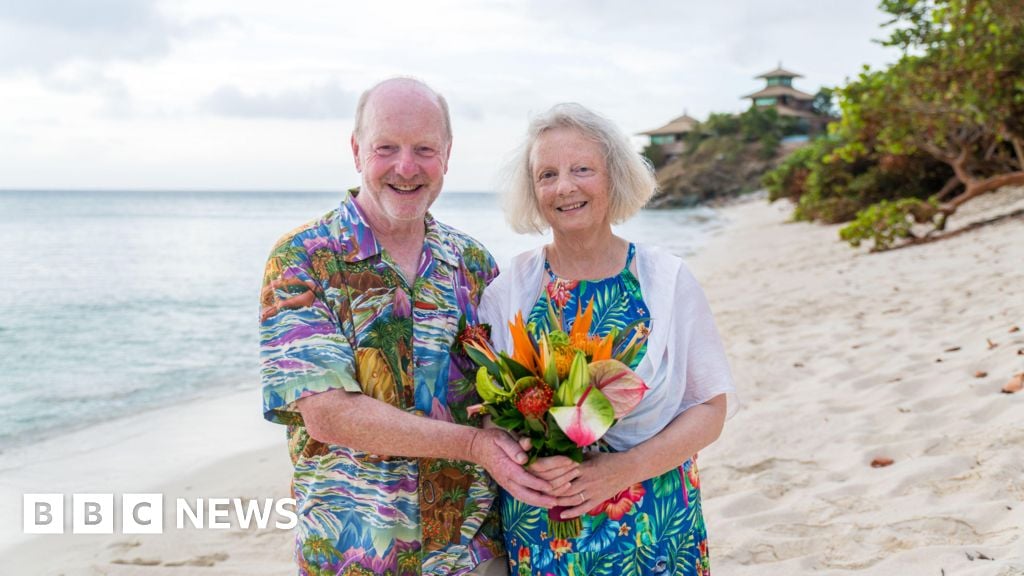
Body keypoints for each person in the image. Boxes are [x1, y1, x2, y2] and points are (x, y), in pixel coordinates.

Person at [259, 77, 556, 576]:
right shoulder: (302, 261)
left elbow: (501, 396)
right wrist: (474, 446)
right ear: (357, 151)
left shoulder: (474, 264)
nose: (406, 167)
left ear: (447, 155)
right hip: (355, 555)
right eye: (386, 148)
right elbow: (328, 415)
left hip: (473, 553)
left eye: (424, 149)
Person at [479, 103, 737, 575]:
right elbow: (492, 414)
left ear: (614, 177)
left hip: (654, 520)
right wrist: (529, 460)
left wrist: (622, 470)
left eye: (582, 169)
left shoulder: (665, 279)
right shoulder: (511, 288)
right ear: (532, 191)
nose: (565, 187)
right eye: (547, 174)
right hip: (546, 525)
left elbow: (709, 409)